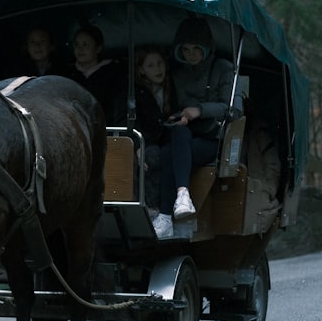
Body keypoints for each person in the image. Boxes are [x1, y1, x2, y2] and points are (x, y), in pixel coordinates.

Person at [151, 17, 241, 239]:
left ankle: (165, 213)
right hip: (185, 136)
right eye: (186, 49)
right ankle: (180, 199)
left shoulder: (223, 69)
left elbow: (234, 110)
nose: (191, 55)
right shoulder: (178, 73)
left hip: (214, 140)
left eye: (196, 49)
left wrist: (199, 110)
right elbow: (174, 107)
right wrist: (178, 117)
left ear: (206, 48)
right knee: (169, 146)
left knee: (171, 151)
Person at [134, 46, 176, 211]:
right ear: (141, 70)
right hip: (146, 141)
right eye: (151, 66)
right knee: (151, 157)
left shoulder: (170, 87)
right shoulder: (136, 92)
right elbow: (130, 121)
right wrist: (138, 147)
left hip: (168, 139)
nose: (158, 69)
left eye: (160, 63)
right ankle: (152, 208)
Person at [60, 23, 126, 124]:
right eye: (77, 44)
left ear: (98, 48)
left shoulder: (113, 74)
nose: (80, 49)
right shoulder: (67, 73)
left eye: (85, 44)